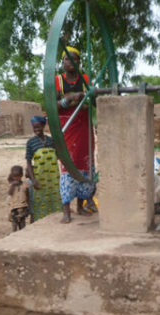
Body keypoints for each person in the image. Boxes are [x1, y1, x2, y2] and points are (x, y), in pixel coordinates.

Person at [56, 46, 96, 223]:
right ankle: (67, 211)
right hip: (68, 126)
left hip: (84, 126)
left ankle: (80, 206)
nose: (71, 63)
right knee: (67, 164)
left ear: (79, 62)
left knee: (85, 163)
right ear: (63, 62)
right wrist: (70, 99)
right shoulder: (58, 81)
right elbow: (53, 105)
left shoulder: (86, 80)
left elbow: (94, 101)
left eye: (75, 60)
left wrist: (87, 96)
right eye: (67, 59)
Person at [25, 116, 62, 222]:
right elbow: (28, 161)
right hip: (39, 177)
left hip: (53, 178)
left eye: (38, 127)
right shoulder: (31, 142)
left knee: (55, 199)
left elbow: (59, 155)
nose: (36, 129)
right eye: (34, 127)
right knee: (39, 201)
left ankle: (56, 220)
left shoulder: (51, 140)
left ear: (43, 126)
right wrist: (33, 179)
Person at [7, 165, 30, 231]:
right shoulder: (11, 185)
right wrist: (13, 185)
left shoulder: (25, 185)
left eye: (18, 176)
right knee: (14, 225)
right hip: (14, 208)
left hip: (23, 207)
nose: (16, 178)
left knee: (22, 225)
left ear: (21, 175)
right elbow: (9, 193)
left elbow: (27, 195)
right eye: (14, 176)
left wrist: (28, 206)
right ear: (12, 176)